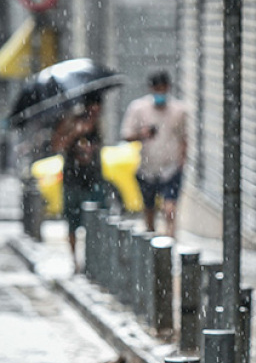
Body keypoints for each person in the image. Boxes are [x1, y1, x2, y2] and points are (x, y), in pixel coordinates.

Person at [121, 71, 189, 236]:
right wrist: (142, 134)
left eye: (163, 89)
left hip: (171, 167)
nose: (160, 93)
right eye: (157, 89)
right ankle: (151, 239)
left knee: (169, 208)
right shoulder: (138, 108)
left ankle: (169, 239)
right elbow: (126, 135)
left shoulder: (179, 111)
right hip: (147, 167)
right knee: (149, 208)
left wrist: (182, 161)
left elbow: (184, 137)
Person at [52, 95, 108, 274]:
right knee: (73, 221)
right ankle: (75, 261)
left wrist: (91, 149)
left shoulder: (98, 125)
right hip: (73, 179)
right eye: (93, 107)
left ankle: (94, 261)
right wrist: (75, 133)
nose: (96, 111)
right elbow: (57, 145)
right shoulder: (70, 121)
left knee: (96, 221)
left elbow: (98, 148)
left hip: (93, 178)